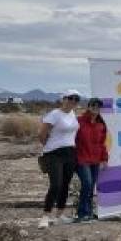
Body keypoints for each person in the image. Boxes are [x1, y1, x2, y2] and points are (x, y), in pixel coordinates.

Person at [38, 90, 80, 227]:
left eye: (76, 99)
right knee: (55, 185)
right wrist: (48, 146)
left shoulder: (73, 114)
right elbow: (42, 133)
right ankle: (45, 216)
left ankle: (59, 215)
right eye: (70, 98)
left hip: (70, 153)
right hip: (54, 154)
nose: (73, 101)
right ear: (63, 99)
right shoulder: (55, 114)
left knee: (64, 185)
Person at [75, 98, 108, 222]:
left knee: (90, 186)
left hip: (95, 160)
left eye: (98, 106)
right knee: (87, 184)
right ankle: (82, 213)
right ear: (88, 106)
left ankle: (88, 212)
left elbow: (102, 143)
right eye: (93, 105)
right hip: (82, 159)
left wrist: (104, 158)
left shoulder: (101, 124)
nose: (96, 108)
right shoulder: (78, 122)